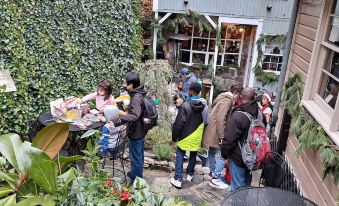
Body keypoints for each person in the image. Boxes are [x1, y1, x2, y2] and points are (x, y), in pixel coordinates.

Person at [171, 82, 209, 188]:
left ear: (191, 91)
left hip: (185, 136)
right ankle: (190, 175)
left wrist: (174, 137)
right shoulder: (205, 106)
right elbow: (206, 121)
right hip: (196, 135)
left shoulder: (185, 106)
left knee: (180, 155)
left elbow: (178, 124)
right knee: (193, 154)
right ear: (199, 92)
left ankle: (178, 179)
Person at [203, 87, 242, 190]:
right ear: (236, 94)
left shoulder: (222, 97)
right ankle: (215, 178)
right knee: (223, 154)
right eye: (239, 97)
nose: (238, 99)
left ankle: (213, 173)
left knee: (211, 152)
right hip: (216, 131)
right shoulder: (228, 100)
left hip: (211, 129)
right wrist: (222, 136)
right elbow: (221, 118)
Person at [221, 87, 258, 192]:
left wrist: (224, 154)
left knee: (237, 189)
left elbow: (229, 139)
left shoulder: (238, 116)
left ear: (241, 97)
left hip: (238, 158)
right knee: (244, 187)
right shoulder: (259, 114)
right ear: (254, 97)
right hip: (252, 156)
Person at [113, 71, 147, 183]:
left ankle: (136, 181)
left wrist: (119, 120)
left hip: (136, 131)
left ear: (131, 85)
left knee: (136, 157)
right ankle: (135, 173)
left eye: (124, 83)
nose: (123, 85)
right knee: (139, 155)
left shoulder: (136, 97)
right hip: (140, 129)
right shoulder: (138, 93)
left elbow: (135, 115)